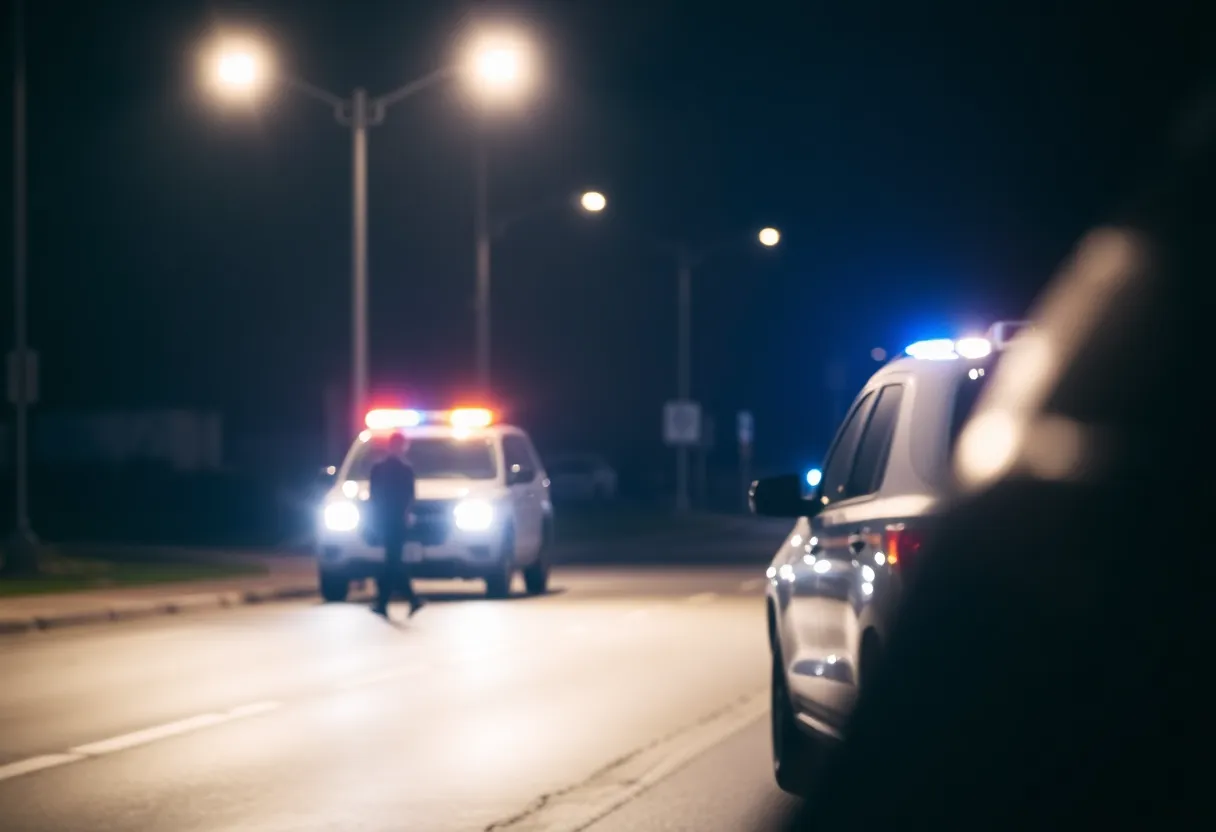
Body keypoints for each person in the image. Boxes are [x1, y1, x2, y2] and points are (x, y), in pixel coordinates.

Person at [368, 432, 425, 618]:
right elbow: (411, 498)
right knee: (393, 561)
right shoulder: (405, 469)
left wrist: (375, 520)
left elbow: (373, 497)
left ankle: (386, 602)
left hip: (387, 521)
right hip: (397, 521)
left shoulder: (379, 468)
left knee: (392, 561)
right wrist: (406, 516)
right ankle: (406, 599)